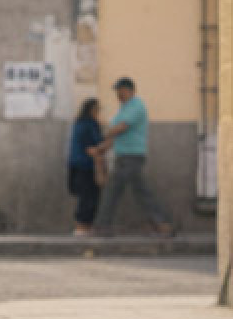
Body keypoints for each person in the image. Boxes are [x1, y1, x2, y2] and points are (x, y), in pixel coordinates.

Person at [92, 77, 172, 237]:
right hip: (124, 155)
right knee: (140, 191)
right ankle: (162, 224)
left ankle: (103, 225)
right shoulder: (124, 108)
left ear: (130, 90)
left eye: (121, 90)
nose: (118, 94)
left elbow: (121, 127)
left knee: (113, 190)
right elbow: (117, 135)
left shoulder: (136, 106)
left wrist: (104, 134)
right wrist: (102, 147)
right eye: (117, 91)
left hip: (131, 156)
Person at [67, 98, 105, 234]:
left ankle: (82, 226)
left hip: (75, 164)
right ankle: (82, 227)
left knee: (85, 196)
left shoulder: (78, 123)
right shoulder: (91, 124)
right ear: (92, 110)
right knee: (90, 197)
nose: (98, 112)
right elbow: (98, 143)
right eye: (97, 110)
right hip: (87, 165)